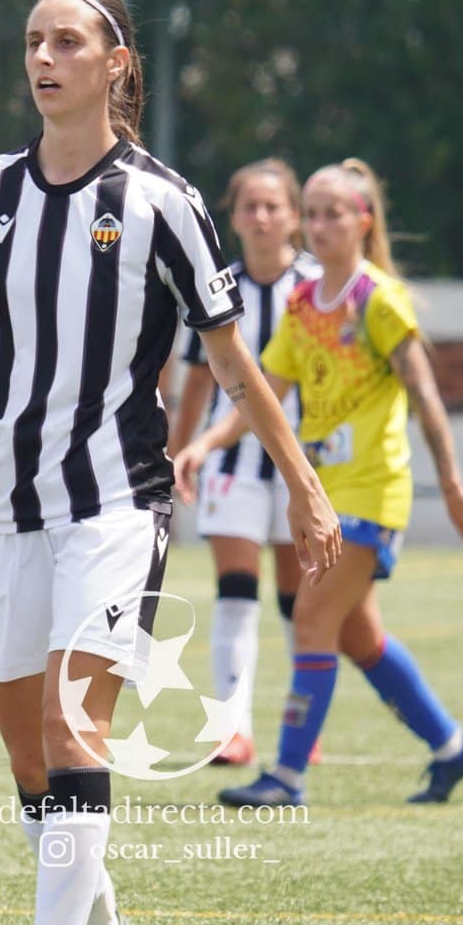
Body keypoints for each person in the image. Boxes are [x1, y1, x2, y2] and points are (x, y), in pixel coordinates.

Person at [0, 0, 340, 925]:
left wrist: (302, 486)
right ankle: (105, 920)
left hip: (116, 497)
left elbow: (235, 364)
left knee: (72, 729)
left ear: (115, 64)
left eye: (66, 40)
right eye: (33, 38)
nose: (44, 55)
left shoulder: (164, 201)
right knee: (28, 755)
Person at [177, 159, 463, 809]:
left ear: (363, 221)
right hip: (326, 492)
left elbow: (424, 393)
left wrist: (454, 484)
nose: (320, 226)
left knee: (312, 616)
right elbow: (261, 394)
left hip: (372, 492)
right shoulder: (302, 303)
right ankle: (451, 744)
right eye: (314, 213)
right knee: (357, 636)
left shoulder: (377, 299)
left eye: (333, 213)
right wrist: (204, 444)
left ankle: (286, 777)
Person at [165, 159, 321, 766]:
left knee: (296, 599)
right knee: (234, 591)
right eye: (249, 206)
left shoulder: (314, 289)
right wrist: (178, 455)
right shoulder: (216, 285)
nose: (260, 217)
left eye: (272, 206)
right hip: (230, 465)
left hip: (300, 469)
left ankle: (302, 721)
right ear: (232, 217)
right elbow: (199, 379)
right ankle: (233, 729)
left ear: (292, 217)